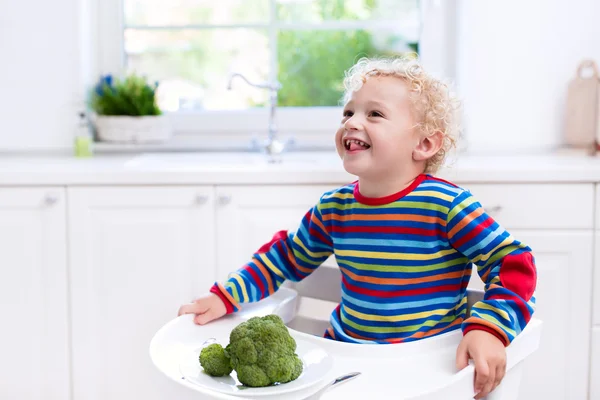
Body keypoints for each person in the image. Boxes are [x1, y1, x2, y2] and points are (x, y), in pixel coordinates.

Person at [178, 56, 537, 399]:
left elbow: (513, 263)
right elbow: (286, 258)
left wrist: (490, 329)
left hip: (427, 367)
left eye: (374, 114)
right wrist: (225, 296)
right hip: (348, 364)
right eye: (348, 112)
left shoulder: (446, 206)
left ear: (424, 144)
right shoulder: (335, 208)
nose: (351, 121)